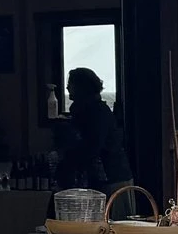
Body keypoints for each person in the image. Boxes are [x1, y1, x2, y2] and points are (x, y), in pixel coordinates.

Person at [51, 67, 130, 195]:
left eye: (70, 84)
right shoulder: (89, 111)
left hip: (111, 178)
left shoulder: (96, 113)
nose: (67, 88)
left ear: (82, 88)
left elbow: (91, 147)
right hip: (107, 176)